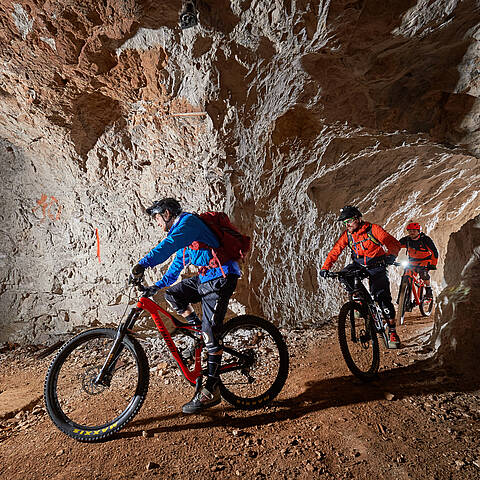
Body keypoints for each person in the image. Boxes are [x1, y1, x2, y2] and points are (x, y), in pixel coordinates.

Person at [129, 198, 241, 414]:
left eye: (157, 218)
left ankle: (212, 387)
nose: (157, 223)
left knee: (211, 329)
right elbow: (175, 267)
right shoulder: (185, 239)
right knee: (173, 295)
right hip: (206, 277)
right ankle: (200, 332)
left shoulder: (188, 223)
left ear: (167, 213)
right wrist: (156, 287)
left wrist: (142, 264)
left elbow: (167, 247)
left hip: (222, 276)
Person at [320, 205, 403, 348]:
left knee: (382, 298)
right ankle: (359, 301)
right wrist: (325, 268)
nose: (347, 225)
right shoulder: (348, 235)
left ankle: (392, 332)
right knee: (344, 275)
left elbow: (393, 243)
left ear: (358, 219)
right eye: (345, 223)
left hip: (377, 265)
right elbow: (335, 251)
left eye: (350, 221)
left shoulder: (373, 229)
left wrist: (391, 256)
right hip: (359, 264)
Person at [399, 222, 439, 298]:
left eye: (414, 231)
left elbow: (434, 252)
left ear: (418, 231)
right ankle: (402, 298)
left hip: (425, 261)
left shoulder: (425, 240)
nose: (412, 233)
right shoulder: (406, 240)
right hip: (412, 262)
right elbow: (395, 246)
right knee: (405, 276)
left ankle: (428, 289)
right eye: (410, 231)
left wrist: (433, 264)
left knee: (423, 274)